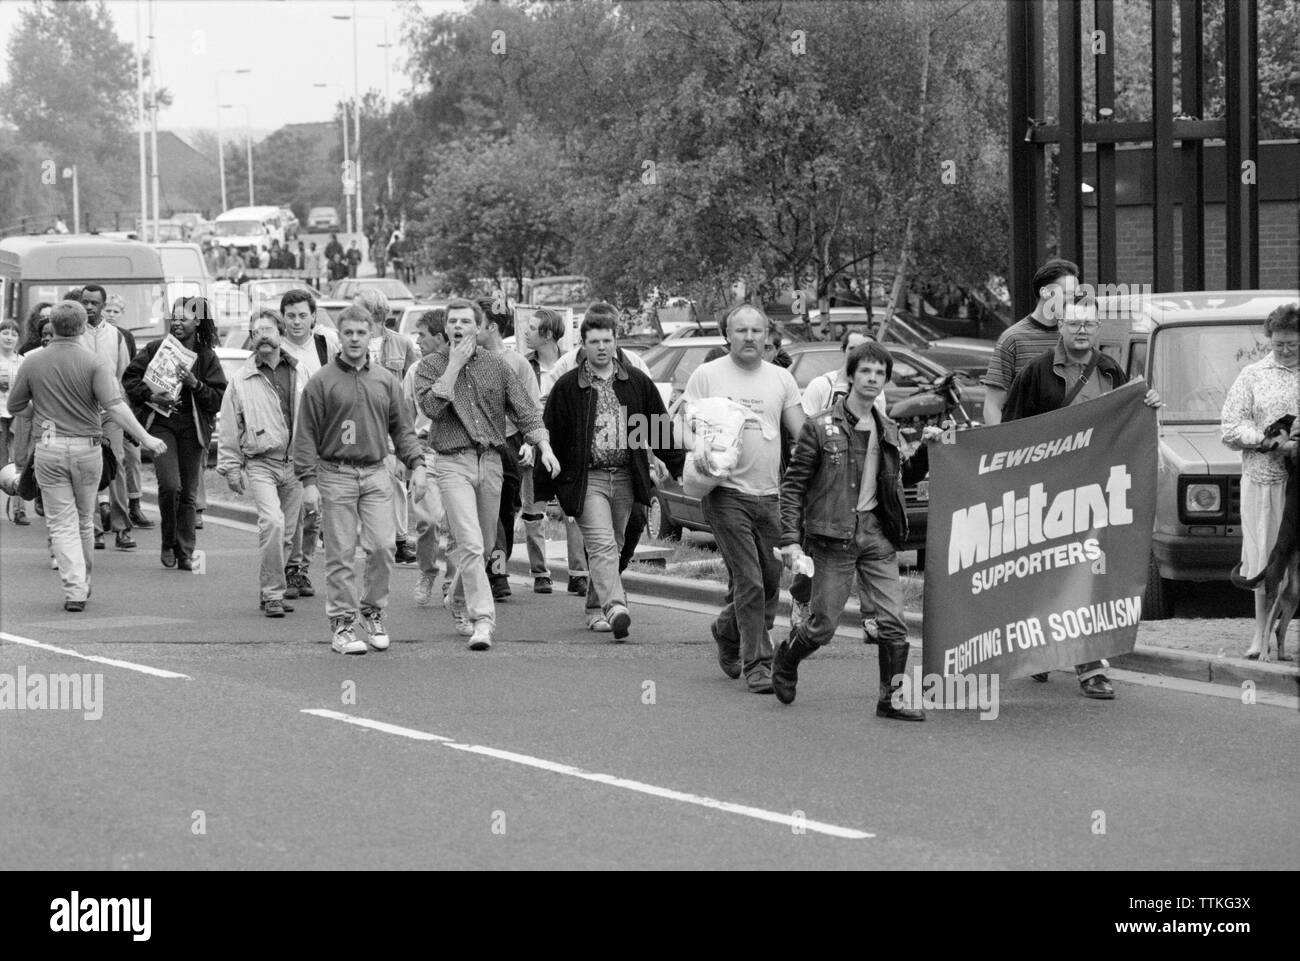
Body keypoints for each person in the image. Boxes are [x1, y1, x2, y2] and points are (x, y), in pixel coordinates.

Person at [1002, 297, 1163, 698]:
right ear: (1060, 326)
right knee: (1045, 574)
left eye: (1090, 324)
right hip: (1046, 495)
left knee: (1087, 573)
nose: (1083, 330)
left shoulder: (1110, 370)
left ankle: (1090, 667)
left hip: (1094, 495)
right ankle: (1041, 648)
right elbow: (1009, 432)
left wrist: (1148, 406)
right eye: (1075, 323)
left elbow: (1124, 422)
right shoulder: (1036, 373)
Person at [774, 342, 936, 717]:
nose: (872, 379)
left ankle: (890, 699)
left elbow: (901, 478)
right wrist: (790, 541)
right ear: (850, 376)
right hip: (832, 536)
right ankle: (786, 657)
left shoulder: (889, 428)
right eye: (865, 371)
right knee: (822, 626)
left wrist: (926, 449)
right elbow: (794, 486)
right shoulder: (819, 428)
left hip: (877, 534)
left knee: (893, 622)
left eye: (880, 373)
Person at [414, 298, 559, 650]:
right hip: (451, 462)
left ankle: (459, 599)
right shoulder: (429, 366)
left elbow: (525, 410)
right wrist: (454, 365)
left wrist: (544, 445)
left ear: (479, 327)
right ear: (446, 328)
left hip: (492, 460)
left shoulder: (497, 365)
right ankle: (483, 620)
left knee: (486, 543)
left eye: (466, 321)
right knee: (470, 541)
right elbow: (431, 406)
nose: (459, 327)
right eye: (453, 322)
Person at [7, 301, 166, 611]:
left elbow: (15, 406)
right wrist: (146, 437)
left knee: (61, 523)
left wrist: (36, 409)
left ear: (51, 326)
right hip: (87, 447)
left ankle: (75, 587)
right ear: (82, 327)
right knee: (83, 520)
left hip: (50, 448)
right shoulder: (95, 362)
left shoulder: (32, 361)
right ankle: (83, 581)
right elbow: (116, 406)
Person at [539, 307, 684, 639]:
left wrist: (680, 467)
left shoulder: (634, 383)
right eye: (594, 342)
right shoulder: (568, 386)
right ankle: (617, 606)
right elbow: (552, 433)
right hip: (587, 479)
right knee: (603, 545)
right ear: (584, 345)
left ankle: (594, 608)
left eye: (607, 340)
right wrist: (545, 487)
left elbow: (658, 429)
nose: (601, 347)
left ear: (616, 343)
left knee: (614, 545)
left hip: (625, 477)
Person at [682, 303, 805, 693]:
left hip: (770, 496)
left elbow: (802, 433)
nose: (750, 337)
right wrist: (697, 448)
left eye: (757, 330)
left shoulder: (782, 379)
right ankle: (758, 663)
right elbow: (680, 422)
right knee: (749, 581)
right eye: (741, 331)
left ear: (767, 334)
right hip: (725, 493)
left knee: (770, 584)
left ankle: (725, 629)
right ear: (727, 335)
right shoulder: (707, 375)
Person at [294, 305, 427, 655]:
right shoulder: (321, 382)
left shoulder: (384, 379)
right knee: (340, 552)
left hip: (375, 472)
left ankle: (373, 610)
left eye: (361, 333)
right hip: (334, 474)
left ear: (371, 336)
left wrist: (417, 464)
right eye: (348, 333)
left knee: (384, 546)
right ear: (340, 336)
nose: (354, 339)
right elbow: (305, 434)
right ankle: (341, 625)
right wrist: (308, 482)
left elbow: (403, 429)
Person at [122, 297, 227, 571]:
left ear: (198, 322)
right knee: (170, 486)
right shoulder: (157, 348)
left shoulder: (206, 356)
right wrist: (153, 396)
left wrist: (195, 384)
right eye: (174, 317)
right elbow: (130, 379)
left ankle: (185, 552)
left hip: (193, 430)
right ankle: (167, 542)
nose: (178, 322)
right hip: (162, 426)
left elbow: (217, 399)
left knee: (189, 493)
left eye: (184, 318)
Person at [1220, 302, 1300, 660]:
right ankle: (1259, 635)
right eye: (1278, 343)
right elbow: (1230, 425)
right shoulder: (1253, 375)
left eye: (1292, 344)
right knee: (1266, 557)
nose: (1284, 350)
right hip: (1265, 480)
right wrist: (1265, 441)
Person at [217, 307, 305, 618]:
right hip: (261, 462)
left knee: (288, 534)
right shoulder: (241, 379)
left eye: (268, 330)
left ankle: (272, 588)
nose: (262, 336)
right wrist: (229, 466)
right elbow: (229, 425)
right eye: (256, 332)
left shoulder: (300, 371)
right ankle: (272, 595)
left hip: (296, 464)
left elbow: (316, 417)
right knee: (273, 523)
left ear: (281, 334)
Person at [477, 298, 541, 602]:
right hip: (477, 444)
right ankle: (497, 575)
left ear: (490, 327)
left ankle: (496, 568)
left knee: (505, 512)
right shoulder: (466, 359)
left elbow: (531, 406)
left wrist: (530, 443)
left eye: (475, 323)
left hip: (510, 443)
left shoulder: (518, 363)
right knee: (484, 513)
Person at [519, 307, 587, 595]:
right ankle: (540, 572)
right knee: (533, 509)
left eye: (532, 328)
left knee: (573, 509)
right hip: (535, 444)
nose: (525, 333)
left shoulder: (572, 363)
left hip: (568, 445)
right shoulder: (524, 366)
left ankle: (578, 573)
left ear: (547, 335)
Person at [279, 288, 341, 598]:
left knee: (314, 509)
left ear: (313, 317)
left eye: (303, 315)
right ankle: (288, 567)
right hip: (288, 440)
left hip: (323, 437)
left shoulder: (325, 343)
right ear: (283, 318)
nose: (297, 321)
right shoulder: (276, 349)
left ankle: (301, 569)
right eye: (291, 316)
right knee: (292, 511)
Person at [353, 288, 420, 564]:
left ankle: (400, 539)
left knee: (395, 481)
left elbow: (416, 379)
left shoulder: (401, 344)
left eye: (358, 308)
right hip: (358, 420)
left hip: (390, 421)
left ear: (374, 312)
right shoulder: (353, 341)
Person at [982, 258, 1080, 425]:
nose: (1073, 301)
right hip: (1025, 444)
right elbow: (992, 405)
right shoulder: (1013, 339)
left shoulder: (1076, 336)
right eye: (1068, 294)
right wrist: (1005, 445)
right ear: (1045, 292)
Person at [78, 285, 135, 551]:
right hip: (82, 410)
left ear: (103, 306)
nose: (89, 307)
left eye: (94, 303)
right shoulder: (74, 333)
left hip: (110, 409)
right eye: (85, 302)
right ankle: (95, 530)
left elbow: (123, 375)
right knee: (89, 468)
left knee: (118, 464)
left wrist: (123, 408)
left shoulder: (116, 336)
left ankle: (122, 527)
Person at [406, 309, 453, 606]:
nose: (417, 341)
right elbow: (403, 416)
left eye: (422, 335)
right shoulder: (415, 372)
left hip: (455, 452)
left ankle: (452, 581)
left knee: (456, 521)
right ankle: (427, 572)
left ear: (438, 337)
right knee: (427, 522)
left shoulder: (462, 367)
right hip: (425, 451)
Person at [101, 293, 154, 530]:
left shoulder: (126, 337)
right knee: (110, 457)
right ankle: (105, 507)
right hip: (103, 407)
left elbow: (130, 373)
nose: (111, 315)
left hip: (124, 403)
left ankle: (135, 504)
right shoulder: (93, 335)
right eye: (108, 310)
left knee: (132, 456)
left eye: (116, 311)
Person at [0, 318, 24, 520]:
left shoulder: (22, 361)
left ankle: (19, 508)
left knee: (18, 460)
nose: (9, 337)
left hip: (18, 415)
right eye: (5, 332)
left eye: (13, 334)